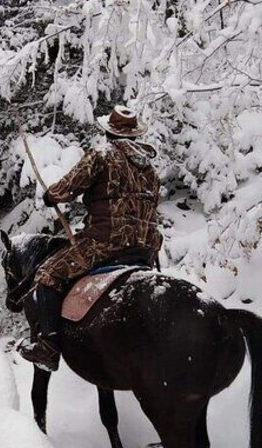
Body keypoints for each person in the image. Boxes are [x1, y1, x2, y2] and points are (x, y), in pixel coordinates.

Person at [18, 105, 163, 371]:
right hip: (145, 247)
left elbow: (68, 189)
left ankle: (48, 348)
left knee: (48, 274)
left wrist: (52, 196)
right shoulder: (150, 170)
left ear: (109, 132)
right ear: (134, 136)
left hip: (105, 243)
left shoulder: (103, 155)